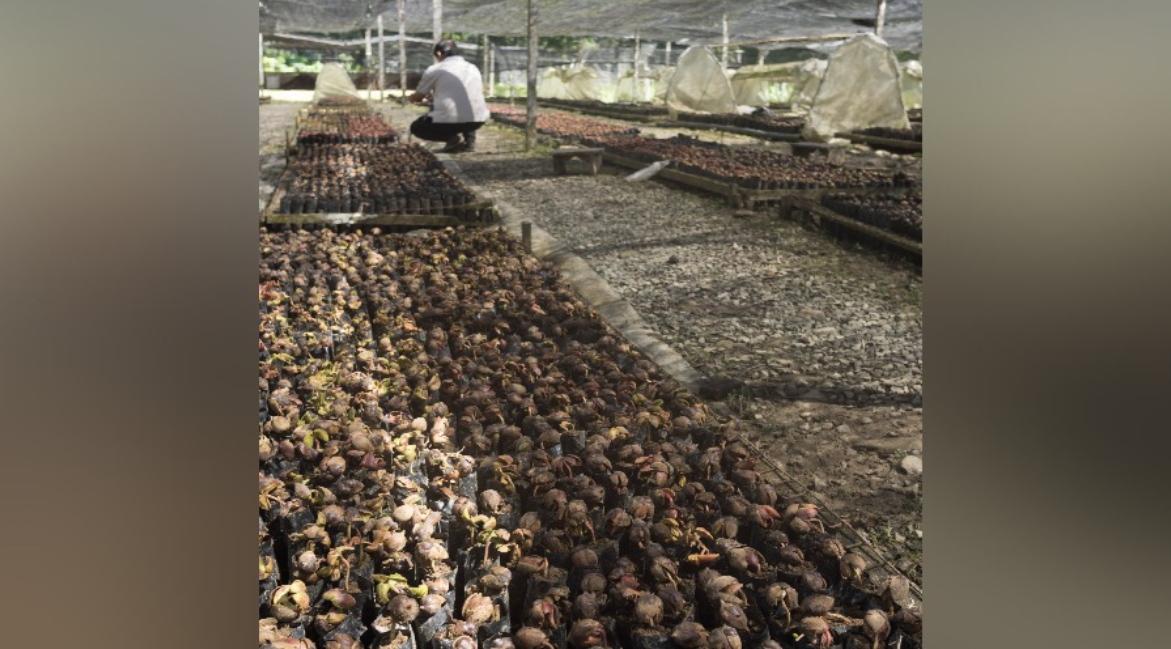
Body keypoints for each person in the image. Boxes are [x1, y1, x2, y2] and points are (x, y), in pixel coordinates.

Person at [408, 40, 490, 153]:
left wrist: (410, 98)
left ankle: (452, 138)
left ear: (439, 53)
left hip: (449, 121)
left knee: (416, 127)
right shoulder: (473, 68)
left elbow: (418, 97)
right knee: (467, 107)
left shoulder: (435, 69)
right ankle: (470, 142)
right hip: (478, 120)